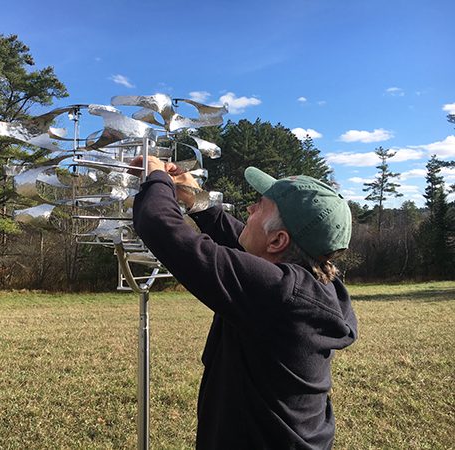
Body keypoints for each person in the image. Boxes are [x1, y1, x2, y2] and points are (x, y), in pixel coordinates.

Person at [129, 156, 358, 449]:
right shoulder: (313, 280)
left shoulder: (276, 294)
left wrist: (156, 178)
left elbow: (162, 228)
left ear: (278, 241)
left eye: (260, 206)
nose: (249, 209)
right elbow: (246, 238)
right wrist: (196, 198)